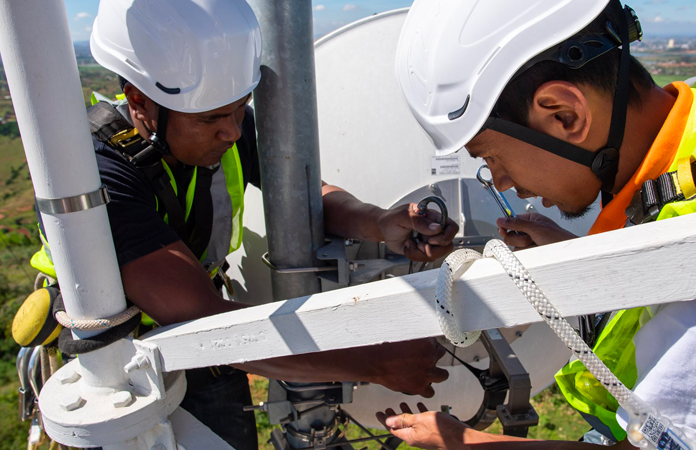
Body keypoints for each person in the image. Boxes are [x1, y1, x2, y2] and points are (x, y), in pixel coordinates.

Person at [29, 0, 456, 449]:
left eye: (239, 108)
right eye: (211, 118)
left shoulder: (220, 121)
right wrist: (375, 362)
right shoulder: (97, 175)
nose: (232, 131)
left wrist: (377, 221)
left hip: (209, 350)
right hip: (122, 370)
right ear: (139, 101)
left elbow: (305, 196)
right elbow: (201, 319)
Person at [387, 0, 696, 448]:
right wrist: (580, 257)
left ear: (565, 115)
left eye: (491, 157)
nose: (501, 181)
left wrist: (464, 442)